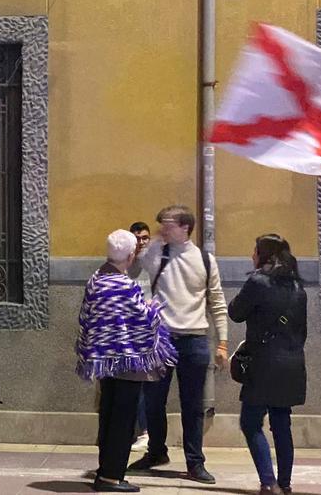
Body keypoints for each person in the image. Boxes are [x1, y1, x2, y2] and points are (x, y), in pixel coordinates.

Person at [128, 205, 228, 484]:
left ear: (185, 227)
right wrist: (154, 243)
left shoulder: (205, 260)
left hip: (195, 340)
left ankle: (195, 462)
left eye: (168, 224)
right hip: (160, 337)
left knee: (193, 405)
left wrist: (222, 342)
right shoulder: (156, 255)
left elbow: (217, 303)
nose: (162, 227)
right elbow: (132, 269)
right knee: (153, 401)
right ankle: (156, 452)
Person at [77, 230, 178, 493]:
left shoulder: (96, 279)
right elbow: (144, 321)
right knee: (123, 419)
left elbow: (88, 318)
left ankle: (105, 470)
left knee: (108, 415)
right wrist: (154, 309)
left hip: (104, 360)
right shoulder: (126, 285)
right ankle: (111, 478)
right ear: (131, 255)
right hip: (128, 361)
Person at [229, 234, 307, 495]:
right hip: (292, 363)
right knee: (281, 423)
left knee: (251, 423)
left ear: (264, 254)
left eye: (255, 250)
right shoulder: (298, 288)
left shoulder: (257, 282)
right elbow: (302, 332)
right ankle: (284, 484)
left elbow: (235, 312)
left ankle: (268, 482)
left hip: (264, 365)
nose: (252, 254)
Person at [127, 222, 152, 452]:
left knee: (149, 386)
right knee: (134, 385)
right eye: (138, 238)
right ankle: (140, 432)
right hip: (129, 334)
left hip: (151, 333)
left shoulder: (154, 266)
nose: (142, 242)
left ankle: (148, 433)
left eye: (145, 238)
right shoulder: (125, 267)